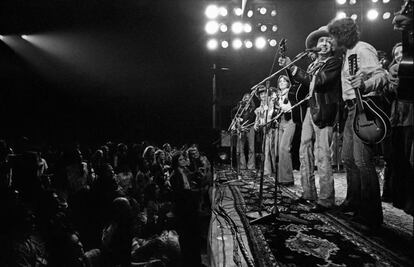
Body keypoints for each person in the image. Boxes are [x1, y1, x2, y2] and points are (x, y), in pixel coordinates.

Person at [328, 17, 388, 228]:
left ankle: (372, 215)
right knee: (348, 159)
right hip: (350, 109)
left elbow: (383, 76)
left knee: (363, 161)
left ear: (341, 35)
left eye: (332, 36)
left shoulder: (363, 49)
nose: (330, 40)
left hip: (363, 108)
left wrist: (365, 83)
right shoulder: (347, 54)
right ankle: (355, 202)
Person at [279, 25, 341, 212]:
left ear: (332, 46)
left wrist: (294, 68)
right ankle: (308, 192)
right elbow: (303, 84)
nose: (323, 44)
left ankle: (326, 199)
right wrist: (290, 68)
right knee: (303, 149)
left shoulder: (334, 62)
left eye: (327, 41)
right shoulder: (314, 64)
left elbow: (319, 82)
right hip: (310, 110)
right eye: (320, 41)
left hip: (325, 112)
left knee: (322, 154)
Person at [273, 75, 296, 186]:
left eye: (284, 81)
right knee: (279, 150)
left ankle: (288, 178)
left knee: (284, 148)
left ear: (288, 83)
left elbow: (288, 108)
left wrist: (279, 103)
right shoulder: (278, 95)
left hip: (290, 121)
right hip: (281, 122)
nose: (281, 82)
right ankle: (282, 178)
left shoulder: (290, 93)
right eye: (280, 81)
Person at [254, 85, 276, 176]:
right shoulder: (261, 105)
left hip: (273, 129)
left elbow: (272, 114)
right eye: (261, 94)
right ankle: (267, 172)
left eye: (264, 93)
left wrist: (268, 111)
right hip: (265, 130)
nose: (262, 95)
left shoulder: (272, 101)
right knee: (265, 151)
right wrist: (256, 124)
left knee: (273, 151)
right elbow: (259, 117)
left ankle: (276, 172)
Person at [232, 93, 256, 170]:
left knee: (251, 148)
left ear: (251, 99)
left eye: (248, 98)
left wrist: (246, 125)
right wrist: (237, 120)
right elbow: (232, 112)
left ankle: (251, 166)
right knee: (240, 148)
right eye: (245, 97)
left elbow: (252, 118)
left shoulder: (252, 108)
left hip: (250, 128)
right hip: (241, 129)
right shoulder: (239, 108)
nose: (247, 99)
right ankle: (242, 166)